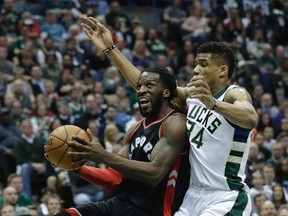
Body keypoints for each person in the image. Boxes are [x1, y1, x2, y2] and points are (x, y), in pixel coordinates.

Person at [79, 16, 259, 215]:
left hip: (225, 195)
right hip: (193, 195)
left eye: (203, 64)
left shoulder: (233, 94)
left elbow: (251, 117)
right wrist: (110, 50)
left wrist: (214, 104)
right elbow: (149, 87)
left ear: (222, 71)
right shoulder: (193, 96)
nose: (196, 68)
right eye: (197, 63)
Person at [54, 70, 190, 214]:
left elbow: (154, 174)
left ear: (166, 93)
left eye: (149, 85)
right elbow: (114, 178)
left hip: (151, 211)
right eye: (139, 87)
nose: (141, 91)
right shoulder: (134, 129)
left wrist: (102, 155)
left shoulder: (175, 123)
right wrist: (76, 167)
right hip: (120, 204)